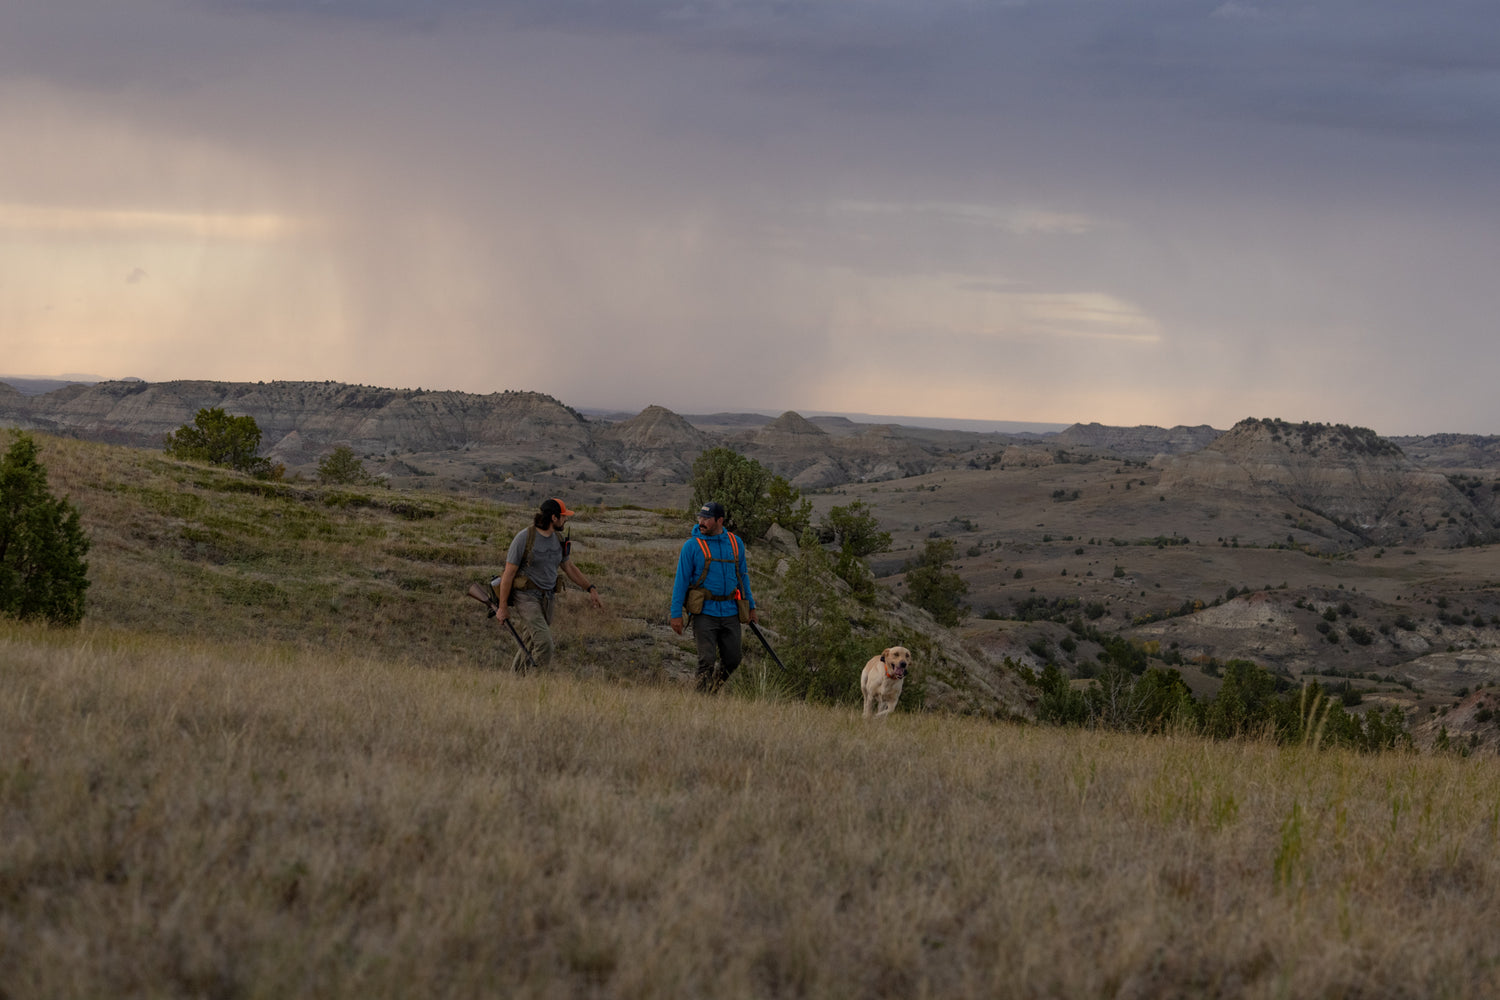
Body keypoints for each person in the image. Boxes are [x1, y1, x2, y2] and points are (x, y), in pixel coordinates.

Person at [494, 497, 603, 672]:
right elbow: (508, 574)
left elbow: (568, 566)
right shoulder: (524, 538)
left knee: (529, 643)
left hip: (547, 599)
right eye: (563, 516)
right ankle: (535, 684)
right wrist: (502, 607)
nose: (566, 519)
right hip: (526, 598)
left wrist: (590, 588)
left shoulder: (559, 539)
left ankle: (515, 682)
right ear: (554, 518)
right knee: (545, 644)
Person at [670, 501, 758, 693]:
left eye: (706, 519)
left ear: (720, 520)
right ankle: (700, 701)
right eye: (700, 517)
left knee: (733, 660)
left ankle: (712, 690)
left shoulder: (736, 543)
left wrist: (751, 607)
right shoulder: (691, 546)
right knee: (706, 661)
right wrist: (675, 613)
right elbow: (681, 581)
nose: (701, 522)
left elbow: (743, 577)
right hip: (704, 613)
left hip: (730, 612)